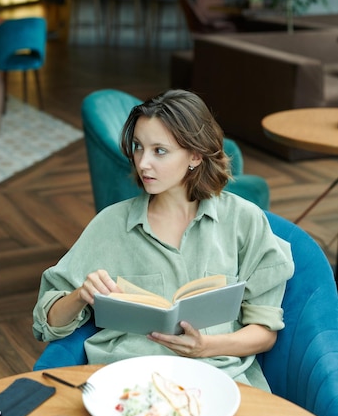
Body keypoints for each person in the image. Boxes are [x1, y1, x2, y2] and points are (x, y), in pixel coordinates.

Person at [33, 89, 294, 391]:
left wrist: (205, 346)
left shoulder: (244, 220)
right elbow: (46, 323)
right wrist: (80, 294)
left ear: (195, 155)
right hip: (127, 382)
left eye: (159, 151)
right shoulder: (110, 224)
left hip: (217, 382)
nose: (143, 163)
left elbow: (265, 332)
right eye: (138, 147)